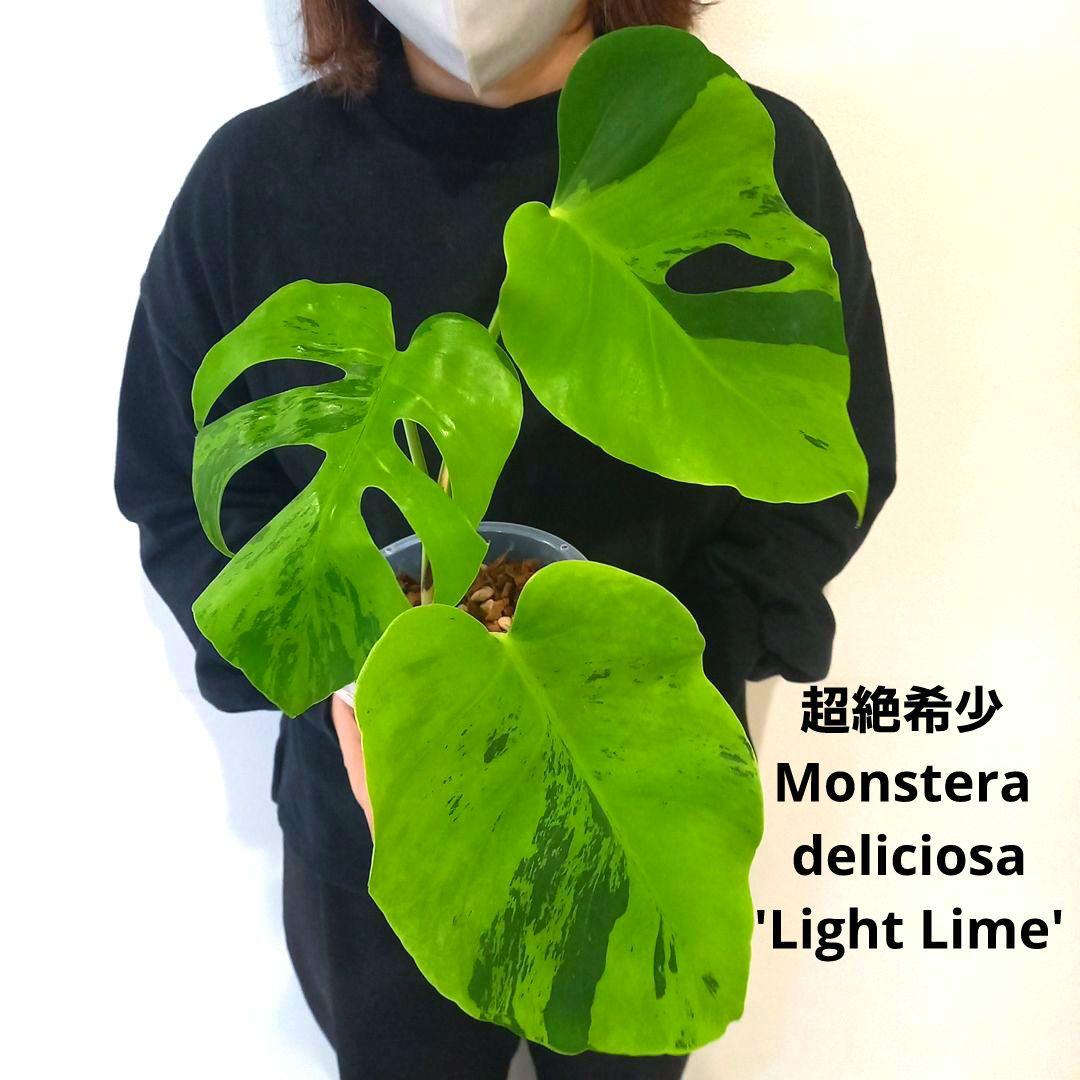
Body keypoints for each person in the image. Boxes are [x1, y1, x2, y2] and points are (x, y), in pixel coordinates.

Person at [114, 1, 897, 1076]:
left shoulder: (712, 147)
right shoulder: (255, 184)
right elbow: (182, 489)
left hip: (631, 805)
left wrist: (675, 660)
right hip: (376, 820)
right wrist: (339, 679)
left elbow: (822, 460)